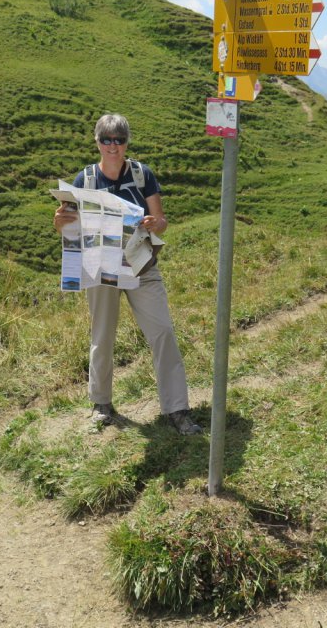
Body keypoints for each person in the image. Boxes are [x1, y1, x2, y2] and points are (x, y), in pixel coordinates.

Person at [53, 114, 202, 436]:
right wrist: (60, 222)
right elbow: (70, 227)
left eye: (118, 139)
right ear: (97, 142)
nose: (112, 146)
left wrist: (154, 224)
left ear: (126, 143)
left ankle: (177, 409)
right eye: (106, 139)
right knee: (102, 337)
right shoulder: (85, 180)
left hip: (141, 266)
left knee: (162, 333)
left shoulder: (141, 173)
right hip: (102, 269)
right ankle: (101, 405)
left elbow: (161, 221)